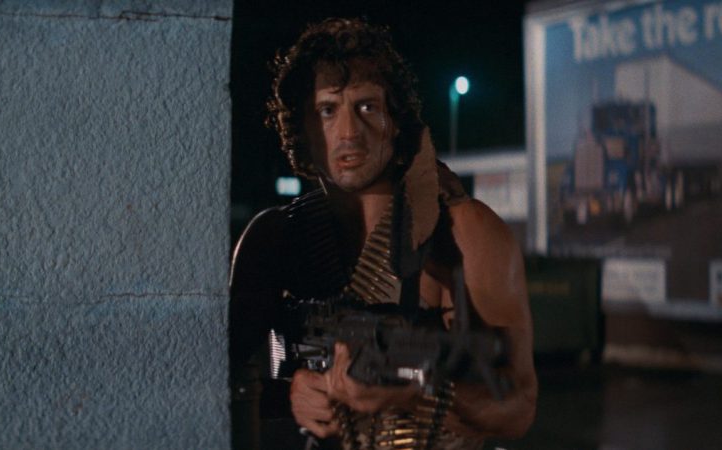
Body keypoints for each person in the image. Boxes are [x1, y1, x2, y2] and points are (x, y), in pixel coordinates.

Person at [229, 17, 537, 449]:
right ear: (300, 126)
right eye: (327, 110)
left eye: (367, 107)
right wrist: (290, 395)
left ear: (396, 120)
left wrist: (419, 396)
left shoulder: (464, 232)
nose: (349, 133)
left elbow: (519, 406)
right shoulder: (275, 237)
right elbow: (218, 383)